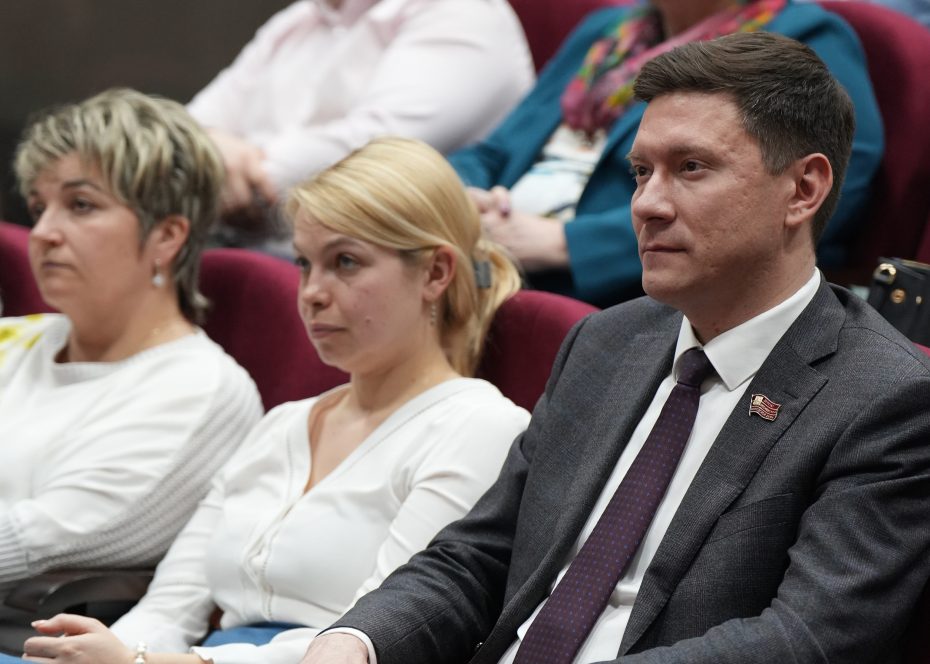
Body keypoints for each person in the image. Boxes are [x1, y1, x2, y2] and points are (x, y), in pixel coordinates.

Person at [300, 32, 930, 664]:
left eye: (691, 168)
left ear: (803, 189)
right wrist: (356, 641)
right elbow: (482, 554)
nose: (647, 204)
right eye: (641, 172)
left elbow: (805, 640)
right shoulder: (606, 342)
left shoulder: (884, 399)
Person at [12, 138, 531, 664]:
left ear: (436, 273)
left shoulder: (479, 427)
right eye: (305, 263)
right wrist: (111, 652)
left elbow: (381, 634)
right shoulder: (282, 423)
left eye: (345, 262)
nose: (312, 292)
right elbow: (170, 606)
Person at [0, 89, 262, 601]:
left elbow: (41, 540)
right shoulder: (21, 336)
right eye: (38, 207)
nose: (44, 232)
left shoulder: (201, 389)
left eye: (80, 205)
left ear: (167, 236)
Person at [455, 0, 883, 307]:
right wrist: (459, 200)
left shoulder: (805, 36)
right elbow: (494, 150)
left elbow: (838, 180)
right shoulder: (607, 28)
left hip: (603, 282)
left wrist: (567, 244)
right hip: (494, 241)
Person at [188, 0, 535, 254]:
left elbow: (365, 157)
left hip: (365, 279)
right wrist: (209, 147)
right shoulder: (302, 17)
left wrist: (210, 168)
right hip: (250, 250)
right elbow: (190, 125)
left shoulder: (464, 15)